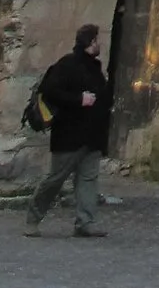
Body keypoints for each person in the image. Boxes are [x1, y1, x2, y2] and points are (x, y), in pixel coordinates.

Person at [25, 23, 111, 238]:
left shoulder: (95, 67)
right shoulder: (66, 65)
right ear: (89, 43)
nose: (99, 44)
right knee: (55, 179)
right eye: (96, 40)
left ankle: (86, 222)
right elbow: (50, 91)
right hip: (69, 136)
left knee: (88, 180)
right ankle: (33, 218)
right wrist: (79, 99)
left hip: (92, 136)